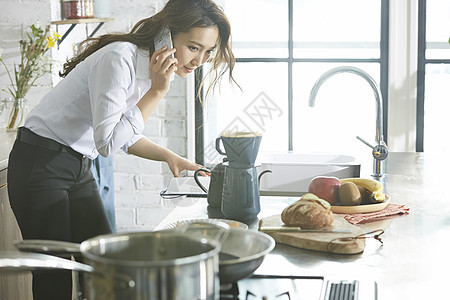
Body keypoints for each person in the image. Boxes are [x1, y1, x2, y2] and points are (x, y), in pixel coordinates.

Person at [7, 0, 238, 299]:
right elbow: (107, 144)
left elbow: (122, 134)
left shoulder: (146, 67)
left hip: (76, 165)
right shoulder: (120, 59)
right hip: (40, 162)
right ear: (167, 36)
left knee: (106, 265)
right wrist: (157, 91)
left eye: (207, 52)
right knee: (56, 274)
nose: (199, 60)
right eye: (194, 47)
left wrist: (170, 157)